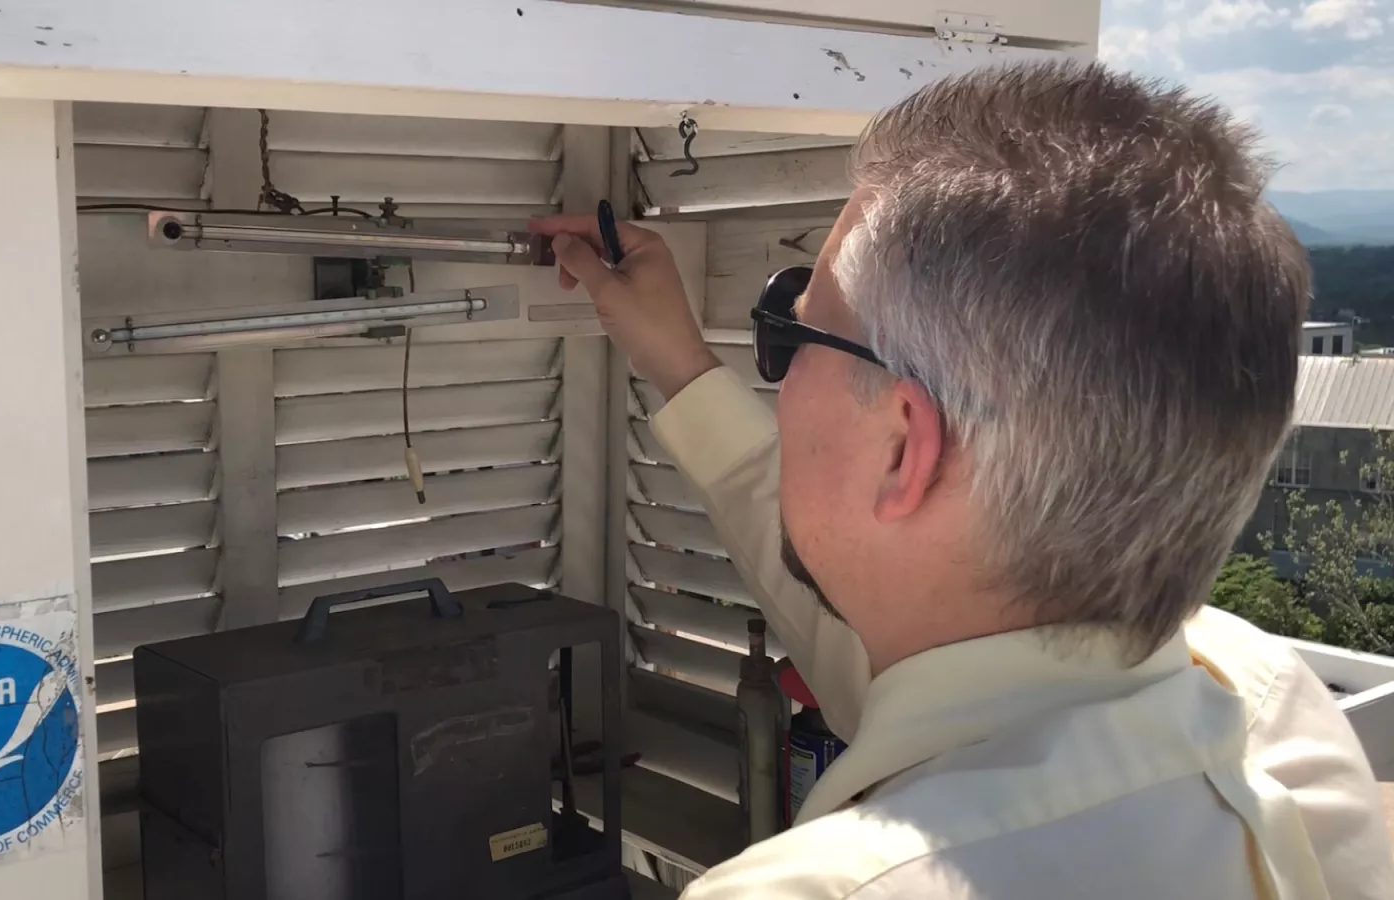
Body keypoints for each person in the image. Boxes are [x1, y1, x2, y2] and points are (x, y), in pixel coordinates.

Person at [533, 60, 1393, 900]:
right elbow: (878, 630)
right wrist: (682, 364)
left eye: (794, 341)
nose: (782, 384)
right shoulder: (1269, 704)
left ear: (906, 448)